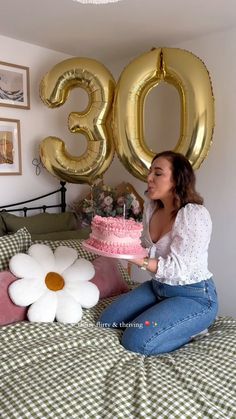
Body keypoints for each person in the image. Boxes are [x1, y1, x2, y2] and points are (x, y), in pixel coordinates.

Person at [98, 150, 218, 356]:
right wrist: (116, 242)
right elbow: (144, 246)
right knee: (107, 321)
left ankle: (194, 330)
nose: (149, 178)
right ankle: (160, 317)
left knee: (134, 341)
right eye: (149, 172)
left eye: (158, 173)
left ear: (177, 179)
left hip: (193, 296)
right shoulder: (152, 208)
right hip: (158, 288)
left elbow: (178, 269)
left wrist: (134, 258)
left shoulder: (194, 215)